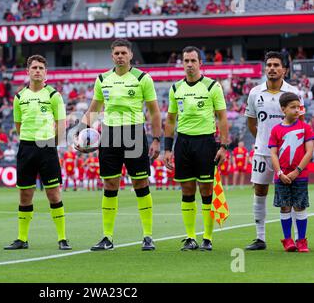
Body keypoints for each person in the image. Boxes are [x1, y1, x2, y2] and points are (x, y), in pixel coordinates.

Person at [76, 39, 161, 251]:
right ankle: (107, 237)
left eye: (124, 52)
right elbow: (94, 108)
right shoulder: (103, 79)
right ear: (112, 56)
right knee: (110, 185)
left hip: (134, 133)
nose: (120, 56)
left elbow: (154, 111)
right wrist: (79, 133)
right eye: (117, 53)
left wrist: (157, 140)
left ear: (131, 55)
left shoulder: (142, 78)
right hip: (109, 134)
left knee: (140, 184)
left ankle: (148, 236)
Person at [164, 46, 229, 251]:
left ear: (201, 63)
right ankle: (191, 237)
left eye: (193, 60)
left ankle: (207, 238)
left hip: (205, 142)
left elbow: (222, 118)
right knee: (187, 189)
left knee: (206, 189)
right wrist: (167, 149)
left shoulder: (212, 87)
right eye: (186, 61)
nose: (189, 64)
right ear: (182, 63)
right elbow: (171, 120)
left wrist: (223, 146)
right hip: (183, 143)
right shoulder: (175, 88)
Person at [4, 55, 71, 251]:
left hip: (47, 147)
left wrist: (53, 144)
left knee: (53, 193)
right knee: (25, 195)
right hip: (26, 147)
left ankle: (62, 238)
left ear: (46, 72)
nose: (38, 71)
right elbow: (18, 125)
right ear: (28, 71)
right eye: (34, 67)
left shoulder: (53, 95)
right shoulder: (19, 97)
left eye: (41, 68)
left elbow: (61, 124)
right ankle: (22, 239)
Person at [244, 51, 304, 250]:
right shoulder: (255, 92)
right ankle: (260, 238)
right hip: (262, 152)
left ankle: (297, 239)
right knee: (260, 191)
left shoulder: (294, 93)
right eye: (269, 64)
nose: (271, 68)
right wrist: (265, 141)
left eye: (276, 65)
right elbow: (252, 123)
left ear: (284, 70)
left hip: (288, 154)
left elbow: (300, 124)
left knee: (292, 195)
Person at [269, 92, 312, 252]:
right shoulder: (276, 130)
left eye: (298, 107)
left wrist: (297, 171)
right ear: (283, 109)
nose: (296, 110)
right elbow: (273, 153)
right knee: (285, 207)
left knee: (300, 207)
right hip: (282, 177)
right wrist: (280, 173)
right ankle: (288, 240)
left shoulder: (305, 127)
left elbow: (309, 152)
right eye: (292, 107)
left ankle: (301, 240)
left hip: (299, 176)